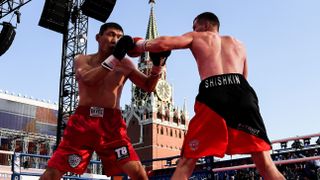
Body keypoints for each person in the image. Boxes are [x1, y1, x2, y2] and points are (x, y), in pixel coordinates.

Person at [130, 12, 285, 180]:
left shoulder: (198, 36)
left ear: (204, 25)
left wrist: (139, 44)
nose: (193, 29)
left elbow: (163, 43)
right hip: (242, 93)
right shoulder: (239, 44)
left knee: (187, 161)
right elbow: (244, 76)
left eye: (194, 26)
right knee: (264, 162)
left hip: (213, 93)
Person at [40, 22, 170, 180]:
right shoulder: (82, 60)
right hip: (83, 122)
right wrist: (114, 58)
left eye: (120, 37)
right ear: (98, 37)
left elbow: (148, 86)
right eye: (111, 34)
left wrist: (158, 65)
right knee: (53, 172)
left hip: (111, 125)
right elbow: (89, 79)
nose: (115, 39)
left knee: (138, 172)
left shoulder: (126, 64)